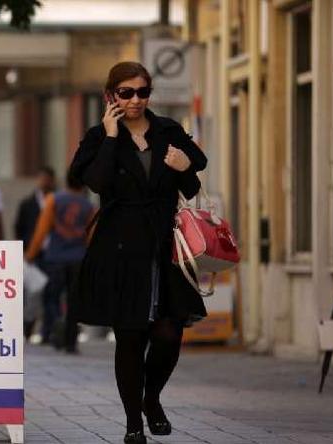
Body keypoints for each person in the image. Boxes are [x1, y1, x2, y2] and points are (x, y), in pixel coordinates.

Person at [69, 61, 208, 444]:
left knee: (168, 332)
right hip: (120, 248)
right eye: (126, 93)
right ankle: (133, 422)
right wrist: (112, 136)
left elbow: (192, 185)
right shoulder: (99, 137)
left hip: (165, 246)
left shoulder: (167, 130)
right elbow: (95, 182)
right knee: (130, 337)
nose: (135, 100)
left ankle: (151, 398)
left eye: (142, 92)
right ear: (110, 95)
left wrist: (182, 166)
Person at [24, 170, 95, 353]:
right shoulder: (88, 206)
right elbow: (91, 237)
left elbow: (42, 230)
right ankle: (71, 341)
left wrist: (31, 254)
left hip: (55, 258)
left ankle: (55, 329)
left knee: (52, 298)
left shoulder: (53, 200)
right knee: (74, 301)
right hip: (78, 259)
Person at [15, 167, 56, 340]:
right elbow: (19, 227)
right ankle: (27, 328)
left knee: (51, 293)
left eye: (47, 179)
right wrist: (24, 250)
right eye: (41, 179)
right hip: (32, 254)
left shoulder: (58, 201)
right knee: (30, 293)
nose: (44, 182)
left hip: (53, 254)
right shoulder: (28, 203)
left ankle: (47, 331)